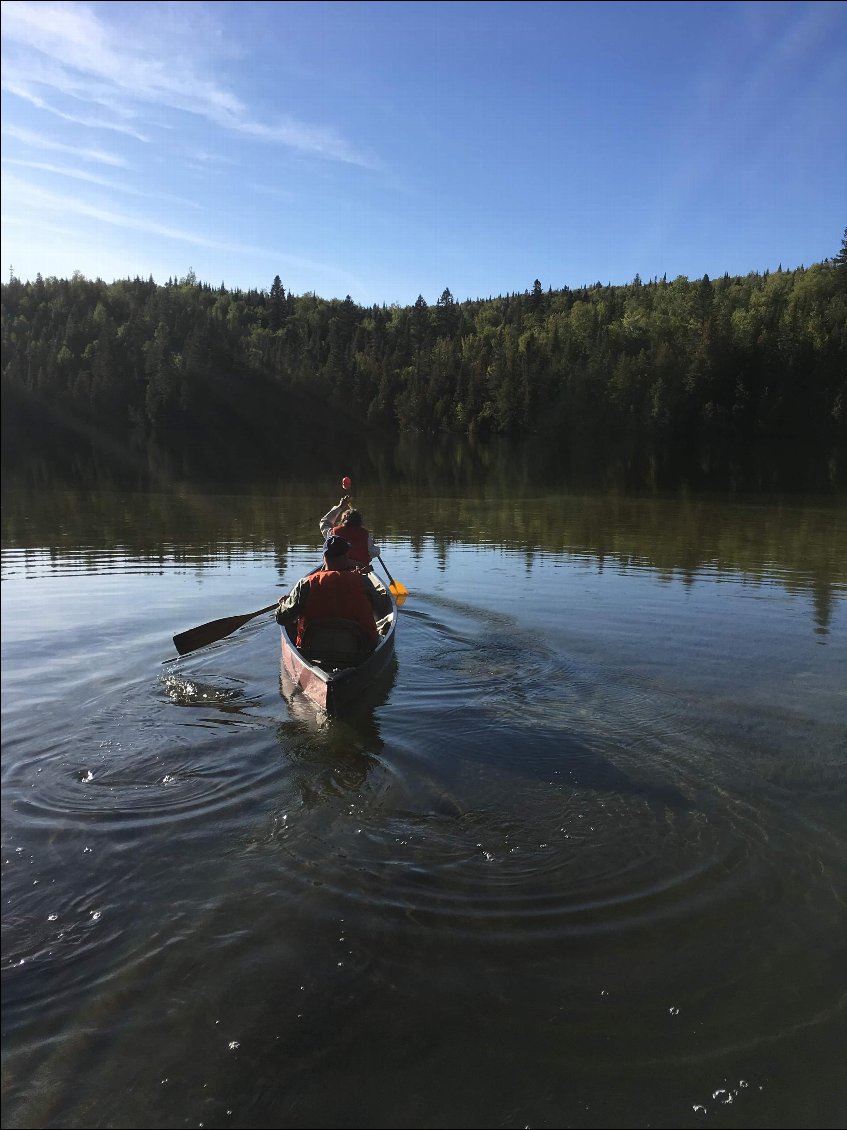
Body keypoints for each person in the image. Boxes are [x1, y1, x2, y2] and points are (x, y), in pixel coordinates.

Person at [276, 534, 380, 649]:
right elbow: (380, 609)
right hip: (360, 649)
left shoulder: (306, 584)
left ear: (324, 557)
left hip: (313, 649)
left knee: (293, 621)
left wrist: (284, 605)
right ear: (346, 556)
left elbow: (282, 618)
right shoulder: (363, 581)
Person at [319, 495, 379, 569]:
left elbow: (324, 522)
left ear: (343, 520)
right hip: (359, 571)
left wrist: (340, 506)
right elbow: (373, 552)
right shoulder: (365, 534)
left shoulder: (333, 533)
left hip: (339, 570)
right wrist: (376, 549)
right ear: (360, 522)